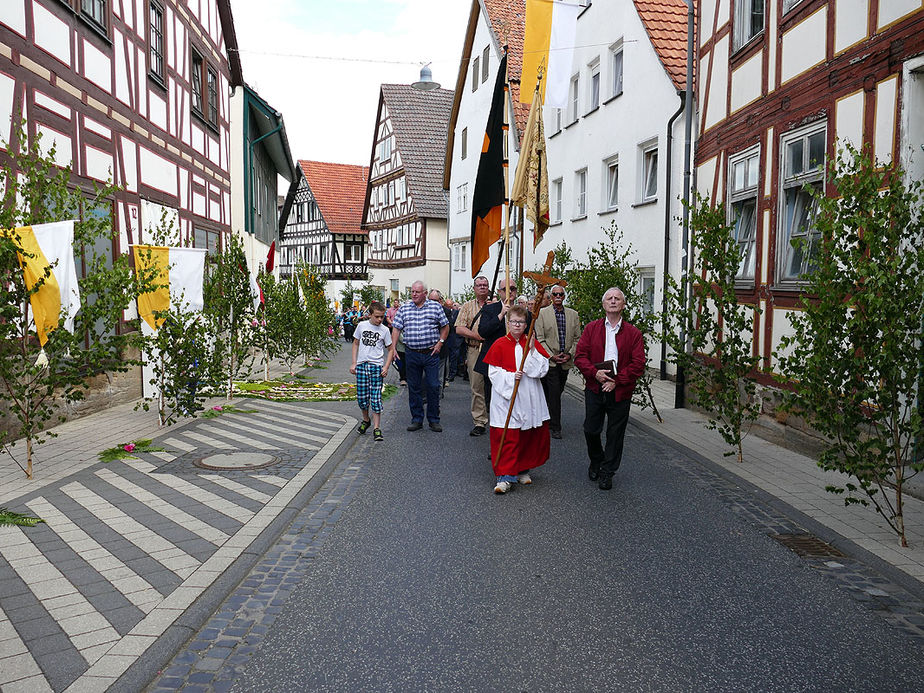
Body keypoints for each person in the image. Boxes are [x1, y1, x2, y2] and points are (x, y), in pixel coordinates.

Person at [573, 287, 646, 490]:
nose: (613, 301)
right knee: (590, 429)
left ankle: (607, 471)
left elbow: (638, 363)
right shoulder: (591, 329)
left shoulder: (633, 333)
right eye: (609, 298)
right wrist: (594, 373)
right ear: (604, 304)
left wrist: (618, 380)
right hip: (595, 387)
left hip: (620, 389)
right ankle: (596, 459)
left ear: (623, 305)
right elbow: (580, 356)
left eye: (617, 299)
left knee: (615, 434)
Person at [484, 304, 550, 494]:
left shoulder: (531, 343)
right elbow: (493, 373)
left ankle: (522, 469)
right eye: (514, 321)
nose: (517, 325)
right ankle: (504, 476)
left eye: (521, 322)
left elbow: (542, 369)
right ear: (508, 322)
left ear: (526, 324)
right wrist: (511, 378)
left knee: (526, 433)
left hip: (529, 395)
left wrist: (531, 351)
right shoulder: (499, 344)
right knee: (508, 435)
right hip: (507, 397)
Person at [391, 281, 449, 431]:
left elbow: (445, 326)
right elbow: (396, 329)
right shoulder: (404, 308)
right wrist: (393, 348)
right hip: (412, 353)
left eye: (417, 292)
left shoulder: (435, 307)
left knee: (433, 386)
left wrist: (440, 343)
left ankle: (434, 419)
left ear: (425, 293)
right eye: (412, 292)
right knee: (414, 387)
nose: (414, 294)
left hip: (430, 353)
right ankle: (416, 419)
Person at [534, 285, 581, 439]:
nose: (558, 296)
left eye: (561, 294)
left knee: (556, 392)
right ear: (551, 297)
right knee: (554, 394)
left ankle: (545, 415)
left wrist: (569, 354)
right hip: (550, 361)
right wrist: (551, 356)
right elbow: (539, 339)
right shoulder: (542, 314)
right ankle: (555, 427)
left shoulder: (573, 315)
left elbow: (577, 339)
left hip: (565, 361)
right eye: (555, 294)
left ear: (564, 296)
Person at [474, 278, 529, 411]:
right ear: (499, 292)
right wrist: (501, 314)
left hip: (516, 359)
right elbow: (483, 331)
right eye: (505, 289)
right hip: (495, 360)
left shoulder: (524, 312)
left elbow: (529, 335)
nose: (510, 292)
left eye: (513, 289)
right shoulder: (490, 309)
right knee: (493, 397)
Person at [350, 302, 394, 442]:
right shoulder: (362, 326)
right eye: (377, 317)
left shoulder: (385, 330)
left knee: (375, 398)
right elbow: (356, 343)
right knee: (362, 398)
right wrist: (354, 362)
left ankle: (376, 428)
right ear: (370, 315)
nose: (380, 320)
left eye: (382, 317)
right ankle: (366, 419)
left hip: (376, 367)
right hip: (362, 366)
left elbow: (391, 349)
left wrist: (386, 367)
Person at [455, 275, 492, 436]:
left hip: (494, 350)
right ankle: (480, 421)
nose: (482, 287)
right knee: (477, 386)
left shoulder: (497, 305)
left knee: (498, 387)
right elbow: (459, 328)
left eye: (485, 285)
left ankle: (500, 418)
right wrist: (476, 336)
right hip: (475, 349)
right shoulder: (467, 306)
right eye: (479, 285)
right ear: (474, 288)